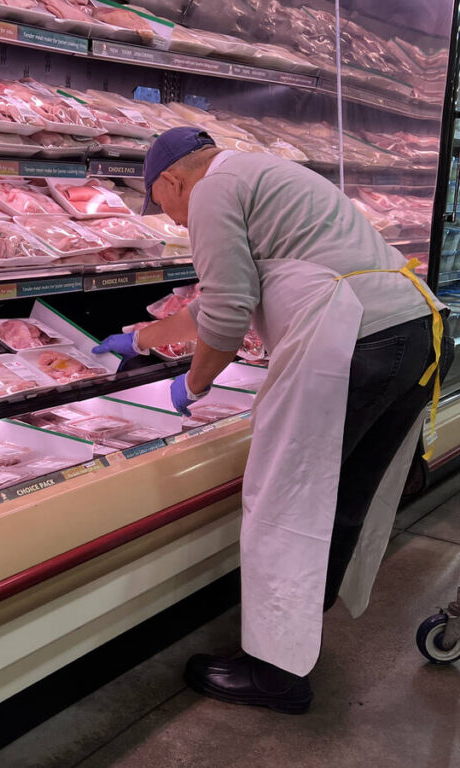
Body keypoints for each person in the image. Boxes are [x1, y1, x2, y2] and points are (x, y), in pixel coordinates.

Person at [92, 126, 453, 714]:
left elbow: (230, 311)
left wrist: (194, 383)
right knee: (341, 500)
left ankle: (276, 674)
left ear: (170, 180)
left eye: (164, 207)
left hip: (357, 345)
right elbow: (218, 301)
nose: (175, 222)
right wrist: (140, 339)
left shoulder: (211, 191)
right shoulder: (255, 177)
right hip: (413, 334)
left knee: (286, 503)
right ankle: (301, 626)